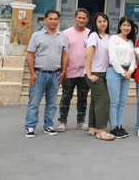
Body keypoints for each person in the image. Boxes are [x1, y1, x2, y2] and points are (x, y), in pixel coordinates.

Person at [24, 10, 68, 138]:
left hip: (55, 75)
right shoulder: (36, 35)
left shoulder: (62, 36)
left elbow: (65, 55)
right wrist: (32, 73)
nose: (53, 21)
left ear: (58, 20)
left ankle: (48, 125)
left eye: (55, 19)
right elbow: (30, 55)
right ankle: (30, 127)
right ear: (45, 20)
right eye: (50, 19)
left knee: (52, 103)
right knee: (34, 102)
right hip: (39, 74)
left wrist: (64, 71)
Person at [57, 8, 90, 132]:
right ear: (74, 18)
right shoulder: (66, 33)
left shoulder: (90, 34)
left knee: (83, 98)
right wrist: (62, 70)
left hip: (84, 73)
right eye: (79, 17)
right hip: (69, 72)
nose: (81, 20)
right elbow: (61, 53)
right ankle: (62, 122)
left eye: (84, 18)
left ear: (87, 20)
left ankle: (80, 122)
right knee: (66, 97)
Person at [85, 13, 114, 140]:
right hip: (95, 73)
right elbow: (88, 55)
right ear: (95, 24)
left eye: (105, 21)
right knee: (104, 100)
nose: (103, 23)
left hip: (106, 72)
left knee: (96, 100)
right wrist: (89, 73)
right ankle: (101, 131)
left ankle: (92, 127)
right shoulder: (93, 35)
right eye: (100, 21)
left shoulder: (109, 37)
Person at [107, 16, 136, 138]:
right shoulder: (114, 39)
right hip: (114, 72)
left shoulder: (130, 41)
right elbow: (112, 58)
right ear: (119, 26)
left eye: (128, 25)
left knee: (122, 102)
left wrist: (130, 71)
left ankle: (119, 125)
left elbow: (134, 59)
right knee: (114, 101)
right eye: (124, 25)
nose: (126, 27)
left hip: (126, 73)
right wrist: (122, 72)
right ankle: (113, 127)